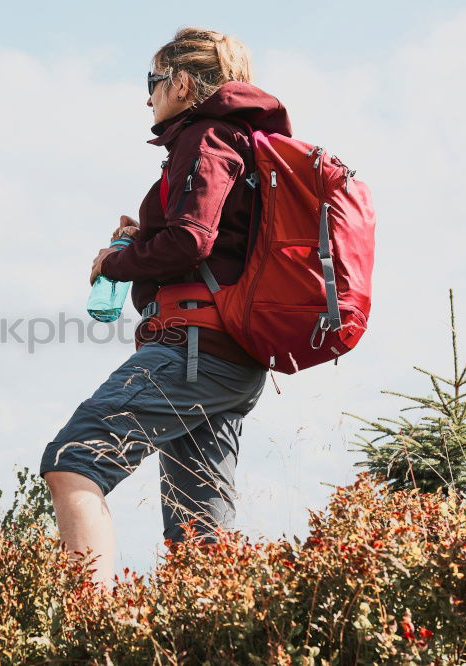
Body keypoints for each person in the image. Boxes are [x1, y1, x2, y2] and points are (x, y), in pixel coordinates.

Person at [38, 27, 293, 590]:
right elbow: (208, 237)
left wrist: (114, 263)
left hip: (192, 349)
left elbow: (191, 240)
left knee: (72, 460)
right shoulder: (239, 141)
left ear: (180, 82)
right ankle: (208, 640)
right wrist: (145, 232)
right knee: (199, 536)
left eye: (152, 82)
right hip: (229, 360)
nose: (148, 97)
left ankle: (88, 634)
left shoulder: (203, 138)